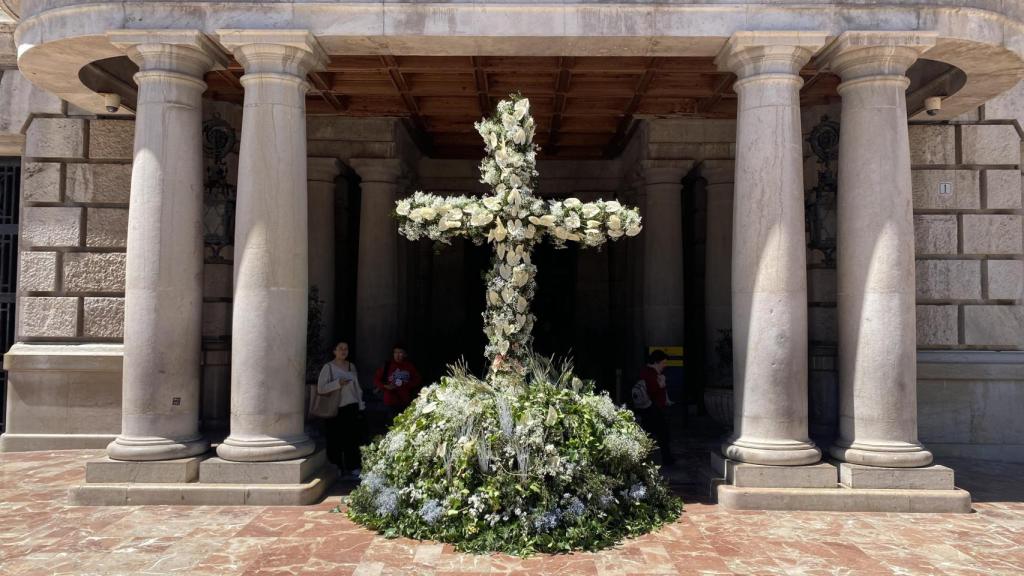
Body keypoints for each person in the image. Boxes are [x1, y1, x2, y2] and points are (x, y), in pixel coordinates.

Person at [317, 341, 365, 477]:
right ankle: (336, 467)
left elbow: (357, 388)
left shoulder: (351, 366)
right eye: (340, 348)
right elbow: (321, 388)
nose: (344, 351)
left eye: (346, 348)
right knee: (335, 439)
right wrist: (338, 383)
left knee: (352, 439)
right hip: (335, 408)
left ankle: (353, 466)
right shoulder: (328, 367)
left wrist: (361, 404)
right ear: (334, 351)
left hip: (351, 406)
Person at [638, 349, 675, 466]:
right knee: (661, 435)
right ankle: (665, 460)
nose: (665, 366)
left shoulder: (647, 372)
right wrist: (662, 384)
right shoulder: (651, 374)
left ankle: (645, 460)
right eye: (663, 363)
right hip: (653, 410)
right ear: (656, 362)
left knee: (651, 435)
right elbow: (653, 391)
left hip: (650, 409)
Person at [373, 344, 422, 425]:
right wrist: (386, 386)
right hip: (389, 402)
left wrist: (405, 384)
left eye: (400, 353)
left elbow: (417, 380)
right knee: (391, 426)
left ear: (405, 354)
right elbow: (376, 380)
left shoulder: (409, 366)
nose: (397, 355)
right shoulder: (387, 366)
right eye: (395, 352)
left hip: (404, 401)